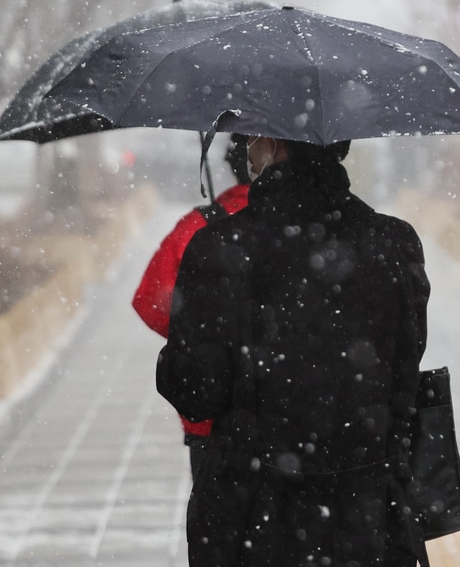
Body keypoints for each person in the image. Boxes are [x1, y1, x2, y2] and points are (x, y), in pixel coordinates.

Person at [156, 136, 430, 566]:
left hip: (252, 518)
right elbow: (405, 369)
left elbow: (195, 392)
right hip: (368, 517)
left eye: (250, 140)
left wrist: (174, 356)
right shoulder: (394, 242)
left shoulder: (221, 246)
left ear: (269, 144)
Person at [133, 135, 251, 475]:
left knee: (218, 519)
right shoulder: (312, 225)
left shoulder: (200, 227)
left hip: (211, 415)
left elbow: (150, 302)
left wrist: (199, 336)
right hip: (299, 421)